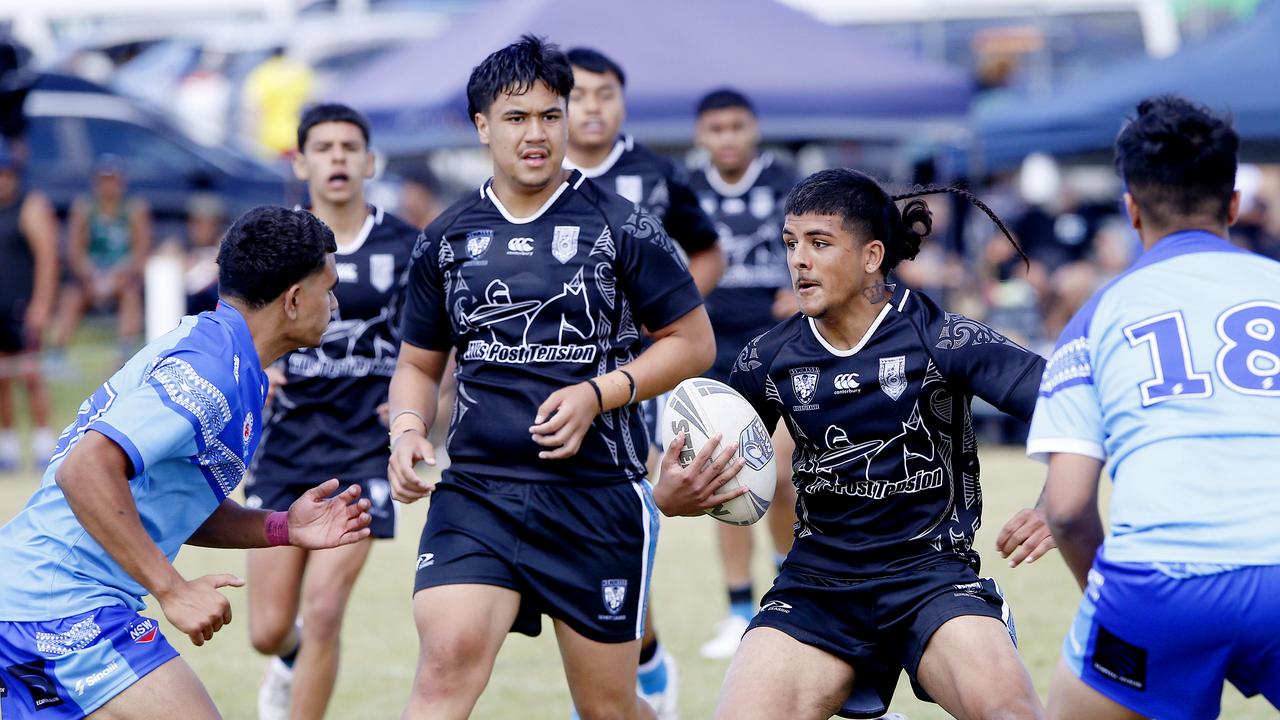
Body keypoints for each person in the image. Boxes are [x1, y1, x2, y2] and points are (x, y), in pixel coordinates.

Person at [387, 35, 713, 720]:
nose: (536, 134)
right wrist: (410, 431)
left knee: (607, 708)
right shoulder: (446, 238)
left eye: (549, 115)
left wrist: (599, 393)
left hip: (595, 499)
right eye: (516, 118)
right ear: (481, 126)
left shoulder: (622, 226)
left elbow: (692, 343)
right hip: (476, 495)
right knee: (444, 668)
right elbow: (418, 366)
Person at [656, 168, 1055, 719]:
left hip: (933, 580)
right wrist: (673, 495)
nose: (798, 259)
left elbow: (1072, 404)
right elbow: (705, 456)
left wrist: (1058, 501)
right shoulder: (768, 358)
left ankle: (985, 625)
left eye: (819, 243)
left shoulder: (941, 338)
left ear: (871, 256)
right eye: (791, 243)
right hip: (816, 589)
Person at [0, 205, 373, 719]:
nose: (334, 301)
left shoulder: (229, 361)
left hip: (35, 597)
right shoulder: (209, 374)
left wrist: (283, 527)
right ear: (292, 299)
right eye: (327, 288)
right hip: (61, 602)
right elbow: (84, 470)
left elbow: (165, 501)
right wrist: (172, 590)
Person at [1028, 96, 1280, 720]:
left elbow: (1065, 508)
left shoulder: (1097, 316)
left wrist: (1117, 609)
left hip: (1157, 584)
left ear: (1130, 209)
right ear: (1233, 204)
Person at [564, 45, 725, 717]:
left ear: (623, 102)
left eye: (605, 93)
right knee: (579, 526)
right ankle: (638, 654)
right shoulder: (537, 173)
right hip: (557, 375)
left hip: (637, 377)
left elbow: (708, 249)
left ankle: (632, 662)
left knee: (626, 514)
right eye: (578, 95)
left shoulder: (655, 176)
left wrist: (673, 318)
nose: (592, 106)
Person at [244, 103, 420, 720]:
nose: (338, 157)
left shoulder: (406, 245)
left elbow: (438, 341)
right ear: (301, 161)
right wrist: (255, 364)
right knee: (267, 630)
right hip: (286, 445)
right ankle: (286, 661)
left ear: (369, 161)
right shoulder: (272, 239)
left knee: (322, 608)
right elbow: (237, 318)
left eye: (350, 147)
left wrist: (416, 405)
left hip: (362, 452)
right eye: (324, 147)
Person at [686, 87, 798, 659]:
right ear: (701, 136)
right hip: (713, 352)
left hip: (782, 348)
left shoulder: (787, 183)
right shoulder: (686, 190)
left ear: (753, 128)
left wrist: (803, 293)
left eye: (737, 127)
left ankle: (789, 589)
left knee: (779, 480)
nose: (727, 138)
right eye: (716, 129)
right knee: (725, 482)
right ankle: (736, 610)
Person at [53, 155, 151, 357]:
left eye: (112, 180)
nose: (108, 186)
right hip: (90, 275)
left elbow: (141, 250)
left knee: (130, 295)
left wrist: (121, 274)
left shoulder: (134, 208)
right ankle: (58, 352)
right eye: (103, 181)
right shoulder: (84, 207)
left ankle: (125, 350)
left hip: (122, 275)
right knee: (71, 297)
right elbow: (74, 250)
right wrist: (89, 273)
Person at [0, 140, 57, 471]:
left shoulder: (30, 206)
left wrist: (41, 306)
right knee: (2, 380)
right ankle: (6, 446)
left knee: (33, 376)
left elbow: (47, 258)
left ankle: (43, 443)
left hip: (23, 307)